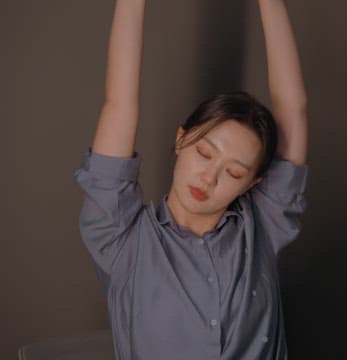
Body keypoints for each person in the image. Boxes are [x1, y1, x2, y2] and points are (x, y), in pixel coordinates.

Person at [72, 0, 309, 359]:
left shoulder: (262, 228)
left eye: (233, 172)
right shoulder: (121, 237)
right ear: (181, 139)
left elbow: (293, 109)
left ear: (252, 184)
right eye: (205, 153)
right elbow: (118, 104)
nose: (209, 177)